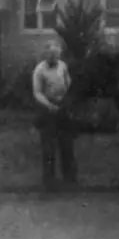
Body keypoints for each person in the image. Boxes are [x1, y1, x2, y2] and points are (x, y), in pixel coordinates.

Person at [32, 40, 77, 191]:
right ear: (46, 54)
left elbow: (68, 82)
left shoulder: (63, 66)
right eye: (51, 55)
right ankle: (49, 181)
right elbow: (37, 92)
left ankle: (70, 178)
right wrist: (48, 105)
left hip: (62, 107)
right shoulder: (40, 70)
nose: (54, 57)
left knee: (67, 144)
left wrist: (67, 101)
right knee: (49, 147)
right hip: (47, 109)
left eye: (56, 55)